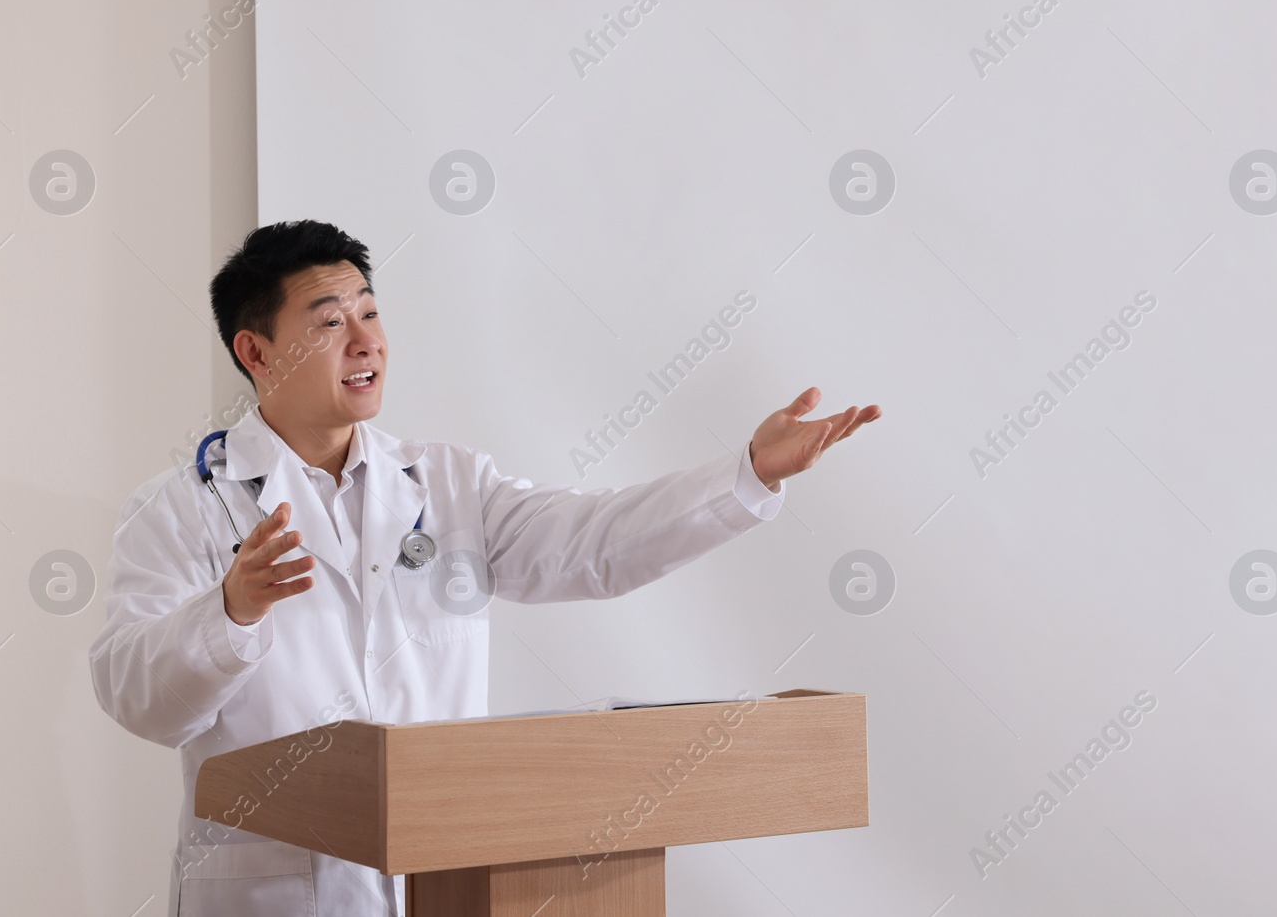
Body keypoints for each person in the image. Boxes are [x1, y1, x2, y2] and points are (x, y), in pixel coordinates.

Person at [88, 220, 881, 916]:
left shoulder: (448, 484)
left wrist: (746, 473)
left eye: (370, 311)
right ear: (254, 350)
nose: (367, 339)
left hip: (445, 887)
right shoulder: (183, 506)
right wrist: (231, 610)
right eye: (331, 321)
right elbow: (138, 697)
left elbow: (594, 543)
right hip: (274, 894)